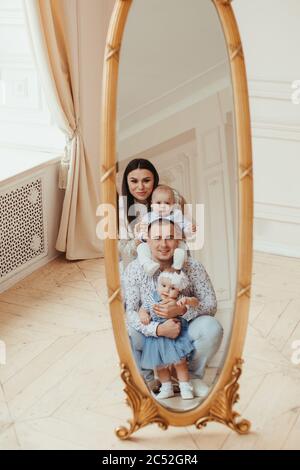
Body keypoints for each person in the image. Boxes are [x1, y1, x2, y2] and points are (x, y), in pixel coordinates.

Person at [123, 217, 223, 397]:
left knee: (211, 327)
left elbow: (210, 303)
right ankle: (148, 379)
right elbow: (129, 311)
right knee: (127, 330)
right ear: (147, 239)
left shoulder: (192, 267)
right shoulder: (134, 269)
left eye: (169, 237)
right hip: (151, 331)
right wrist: (158, 329)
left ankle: (190, 377)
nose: (163, 244)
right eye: (157, 238)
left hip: (183, 328)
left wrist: (183, 311)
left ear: (179, 240)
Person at [139, 269, 197, 399]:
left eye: (172, 288)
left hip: (176, 335)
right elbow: (143, 308)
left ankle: (185, 387)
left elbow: (195, 302)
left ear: (179, 290)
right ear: (158, 284)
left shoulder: (179, 300)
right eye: (163, 285)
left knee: (180, 362)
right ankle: (166, 388)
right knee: (160, 365)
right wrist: (143, 315)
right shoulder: (151, 297)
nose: (166, 290)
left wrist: (188, 300)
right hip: (158, 337)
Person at [135, 184, 196, 276]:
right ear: (152, 204)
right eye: (158, 203)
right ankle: (148, 265)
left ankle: (177, 267)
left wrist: (189, 229)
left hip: (175, 243)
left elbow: (186, 227)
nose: (162, 206)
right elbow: (142, 232)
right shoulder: (148, 217)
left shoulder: (177, 215)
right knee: (141, 248)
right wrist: (143, 237)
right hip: (153, 245)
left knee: (182, 248)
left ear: (173, 204)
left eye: (167, 203)